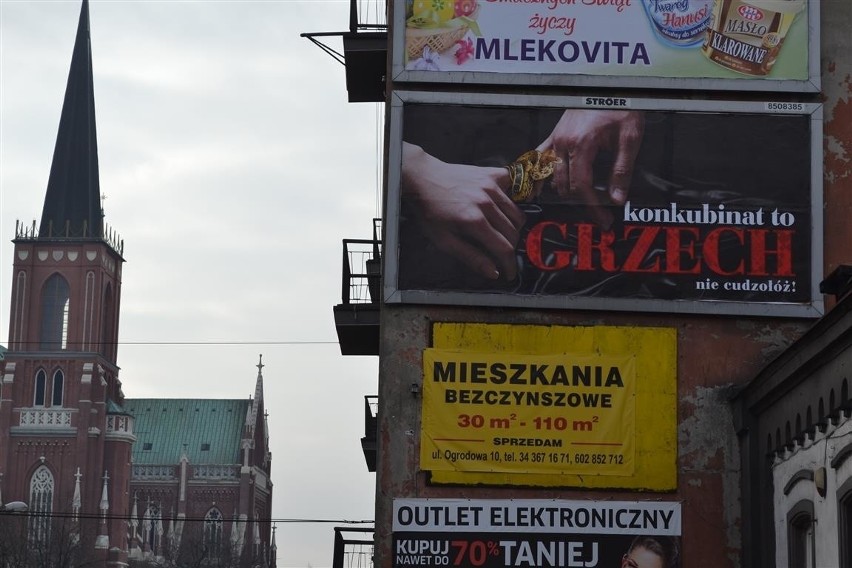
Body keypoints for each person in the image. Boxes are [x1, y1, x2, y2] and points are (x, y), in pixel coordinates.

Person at [400, 109, 645, 283]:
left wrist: (609, 94)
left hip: (606, 251)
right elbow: (373, 127)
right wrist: (413, 168)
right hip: (448, 250)